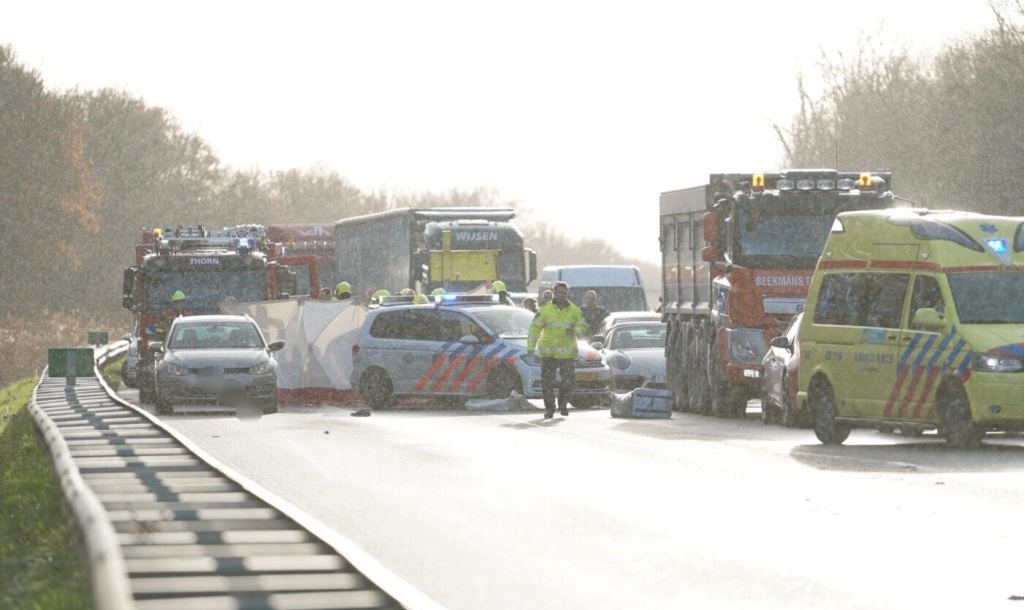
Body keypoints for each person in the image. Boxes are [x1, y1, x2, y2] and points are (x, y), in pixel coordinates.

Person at [527, 281, 587, 419]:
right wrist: (530, 347)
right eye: (559, 292)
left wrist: (574, 330)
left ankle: (563, 403)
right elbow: (534, 328)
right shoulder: (545, 310)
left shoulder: (574, 310)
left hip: (567, 354)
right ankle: (549, 408)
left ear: (567, 294)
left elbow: (583, 325)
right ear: (554, 293)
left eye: (564, 293)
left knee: (568, 382)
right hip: (549, 353)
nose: (561, 295)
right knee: (547, 382)